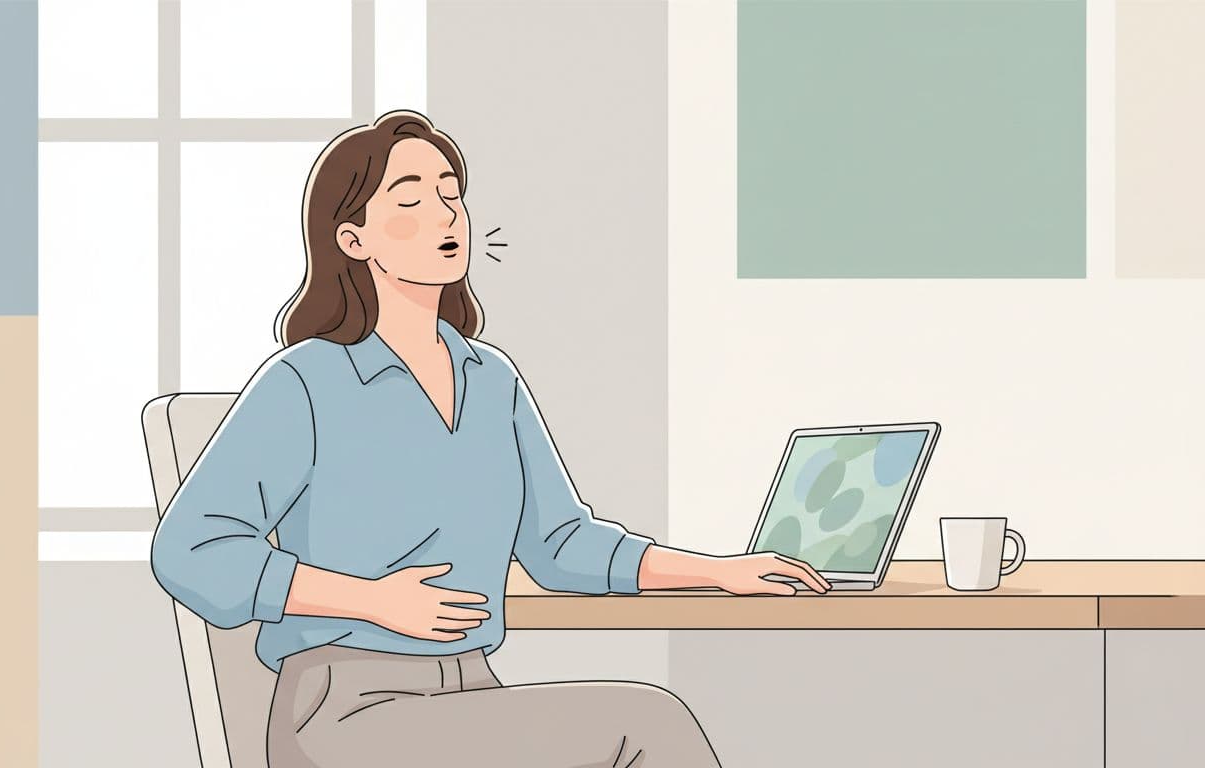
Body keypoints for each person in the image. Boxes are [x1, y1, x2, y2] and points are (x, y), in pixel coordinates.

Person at [150, 110, 830, 767]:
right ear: (353, 239)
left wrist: (718, 572)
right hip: (346, 715)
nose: (445, 216)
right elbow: (190, 550)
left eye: (452, 196)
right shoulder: (307, 380)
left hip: (471, 698)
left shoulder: (492, 379)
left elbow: (561, 545)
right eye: (410, 202)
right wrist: (372, 598)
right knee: (644, 725)